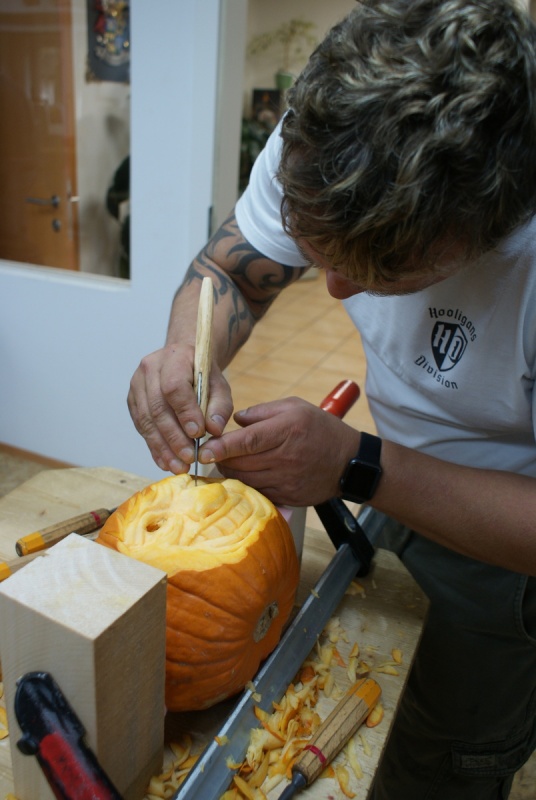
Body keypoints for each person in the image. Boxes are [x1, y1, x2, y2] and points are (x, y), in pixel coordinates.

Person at [128, 1, 536, 796]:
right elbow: (229, 268)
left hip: (506, 545)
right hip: (390, 485)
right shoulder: (322, 137)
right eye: (318, 255)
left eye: (386, 270)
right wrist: (187, 354)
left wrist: (358, 466)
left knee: (438, 757)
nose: (338, 291)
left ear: (483, 230)